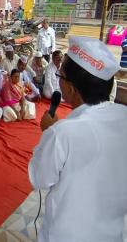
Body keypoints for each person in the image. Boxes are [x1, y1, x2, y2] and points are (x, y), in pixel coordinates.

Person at [29, 36, 127, 242]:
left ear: (71, 89)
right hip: (111, 233)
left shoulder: (62, 133)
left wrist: (48, 133)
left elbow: (39, 178)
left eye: (60, 76)